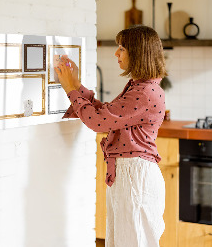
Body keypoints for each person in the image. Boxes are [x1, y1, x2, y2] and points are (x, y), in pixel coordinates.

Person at [55, 25, 167, 247]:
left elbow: (98, 122)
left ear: (138, 53)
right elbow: (106, 114)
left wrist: (70, 89)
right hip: (130, 174)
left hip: (135, 176)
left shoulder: (144, 92)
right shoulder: (140, 87)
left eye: (122, 48)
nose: (116, 53)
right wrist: (76, 85)